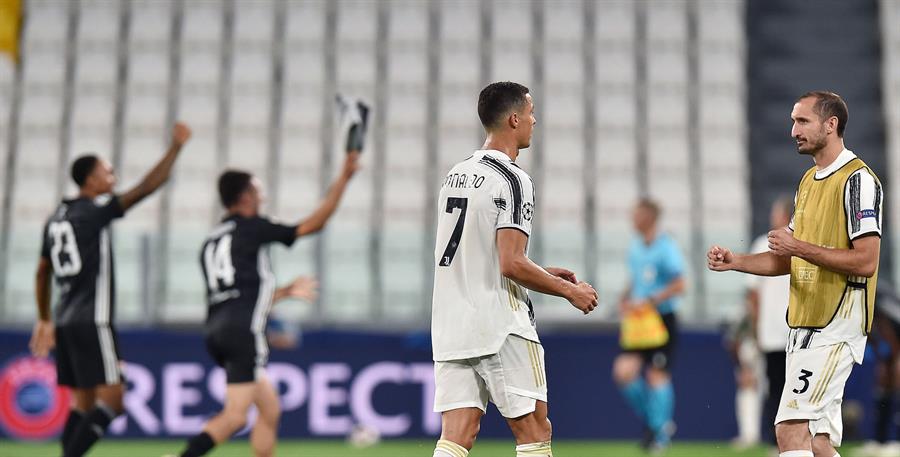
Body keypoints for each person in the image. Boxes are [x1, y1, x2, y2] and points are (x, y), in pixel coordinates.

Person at [708, 91, 883, 457]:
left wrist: (798, 248)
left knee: (788, 431)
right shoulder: (808, 182)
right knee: (817, 444)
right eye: (792, 121)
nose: (793, 131)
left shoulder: (857, 181)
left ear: (830, 124)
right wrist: (737, 261)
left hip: (835, 329)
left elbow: (866, 261)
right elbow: (790, 260)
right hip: (804, 330)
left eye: (802, 121)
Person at [429, 81, 598, 457]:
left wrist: (545, 273)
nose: (535, 121)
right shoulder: (513, 179)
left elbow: (477, 255)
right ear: (514, 118)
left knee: (458, 433)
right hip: (498, 325)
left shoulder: (454, 175)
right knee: (535, 431)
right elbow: (510, 263)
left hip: (451, 324)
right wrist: (569, 290)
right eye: (532, 112)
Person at [173, 153, 360, 457]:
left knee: (269, 408)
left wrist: (282, 292)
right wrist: (344, 178)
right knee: (234, 417)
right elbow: (314, 224)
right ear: (245, 197)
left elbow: (235, 292)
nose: (262, 197)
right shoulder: (252, 227)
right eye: (258, 191)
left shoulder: (211, 240)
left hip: (216, 330)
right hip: (243, 332)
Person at [29, 122, 192, 457]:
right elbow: (146, 187)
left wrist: (45, 318)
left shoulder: (56, 218)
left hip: (65, 321)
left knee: (82, 404)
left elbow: (42, 270)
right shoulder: (92, 213)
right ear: (90, 180)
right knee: (113, 404)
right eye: (108, 171)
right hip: (94, 320)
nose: (113, 175)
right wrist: (176, 148)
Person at [612, 198, 686, 451]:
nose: (632, 219)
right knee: (623, 372)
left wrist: (652, 300)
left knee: (657, 376)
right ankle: (656, 422)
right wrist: (624, 298)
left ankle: (660, 433)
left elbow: (680, 284)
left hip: (661, 319)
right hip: (639, 320)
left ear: (649, 218)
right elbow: (636, 279)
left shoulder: (666, 247)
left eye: (636, 215)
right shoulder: (635, 247)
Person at [748, 196, 794, 447]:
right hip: (773, 332)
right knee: (775, 388)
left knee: (794, 389)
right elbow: (753, 295)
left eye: (776, 213)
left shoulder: (800, 243)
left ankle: (799, 441)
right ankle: (775, 441)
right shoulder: (759, 245)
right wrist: (756, 328)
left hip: (796, 331)